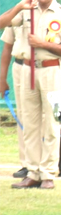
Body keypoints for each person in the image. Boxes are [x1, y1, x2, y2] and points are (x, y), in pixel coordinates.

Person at [6, 0, 61, 190]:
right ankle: (32, 171)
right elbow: (2, 23)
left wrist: (43, 44)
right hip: (27, 71)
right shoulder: (26, 12)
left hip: (52, 71)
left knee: (52, 124)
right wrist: (18, 7)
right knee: (30, 123)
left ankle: (48, 173)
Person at [1, 25, 28, 179]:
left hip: (48, 67)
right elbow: (7, 48)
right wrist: (2, 78)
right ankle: (26, 164)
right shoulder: (17, 15)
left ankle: (47, 164)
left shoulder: (60, 14)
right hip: (21, 65)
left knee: (47, 117)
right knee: (23, 116)